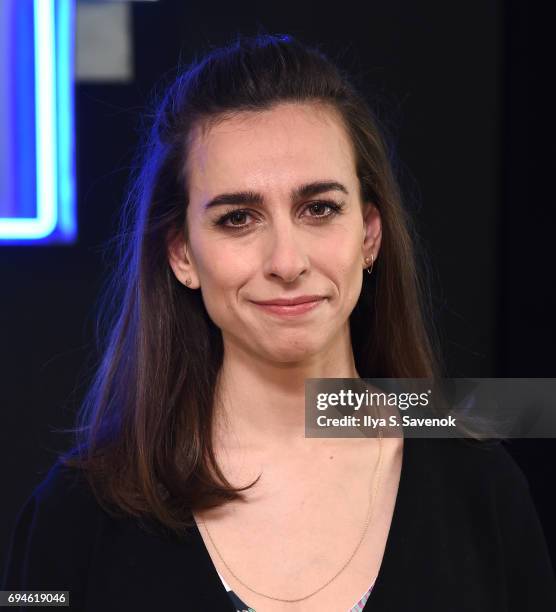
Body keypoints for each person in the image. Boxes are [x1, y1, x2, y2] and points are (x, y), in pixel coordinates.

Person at [2, 34, 555, 612]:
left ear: (369, 235)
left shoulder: (482, 490)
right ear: (182, 255)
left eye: (319, 209)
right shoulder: (74, 516)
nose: (287, 263)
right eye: (238, 218)